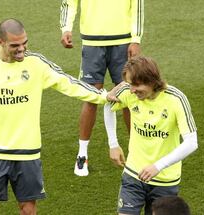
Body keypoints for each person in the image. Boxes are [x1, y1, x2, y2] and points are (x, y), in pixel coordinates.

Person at [0, 18, 118, 215]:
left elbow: (68, 83)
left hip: (27, 152)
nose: (22, 49)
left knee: (29, 211)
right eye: (15, 45)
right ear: (0, 42)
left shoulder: (36, 64)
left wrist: (102, 96)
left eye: (25, 43)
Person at [103, 56, 198, 215]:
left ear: (152, 81)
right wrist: (113, 144)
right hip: (133, 173)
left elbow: (191, 142)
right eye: (129, 84)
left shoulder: (176, 99)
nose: (132, 90)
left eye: (136, 85)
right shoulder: (129, 91)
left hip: (165, 179)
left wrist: (158, 166)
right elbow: (108, 105)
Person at [60, 0, 144, 176]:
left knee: (129, 96)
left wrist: (136, 39)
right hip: (92, 43)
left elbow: (137, 5)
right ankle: (82, 154)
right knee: (90, 97)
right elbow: (69, 2)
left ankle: (137, 153)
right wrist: (66, 28)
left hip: (124, 41)